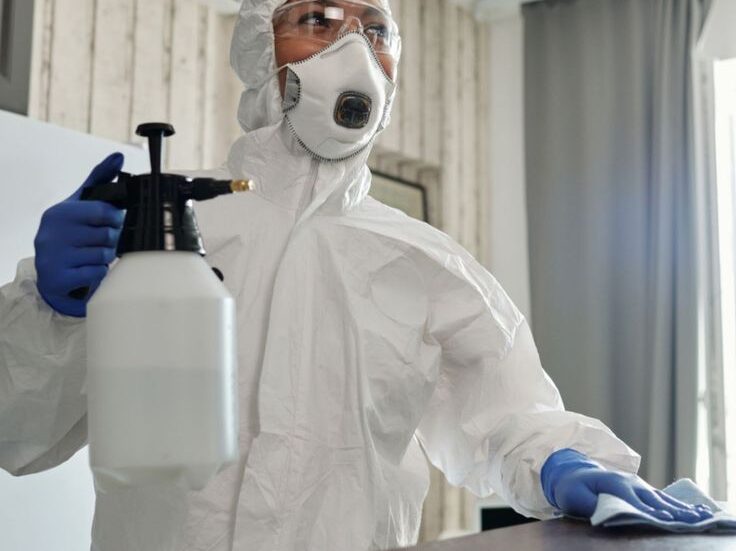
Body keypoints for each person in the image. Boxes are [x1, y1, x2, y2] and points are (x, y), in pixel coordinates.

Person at [0, 1, 712, 550]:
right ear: (261, 48)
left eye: (375, 31)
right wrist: (52, 309)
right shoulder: (150, 229)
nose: (354, 49)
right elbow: (16, 432)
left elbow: (507, 417)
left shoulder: (429, 264)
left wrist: (561, 461)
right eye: (317, 20)